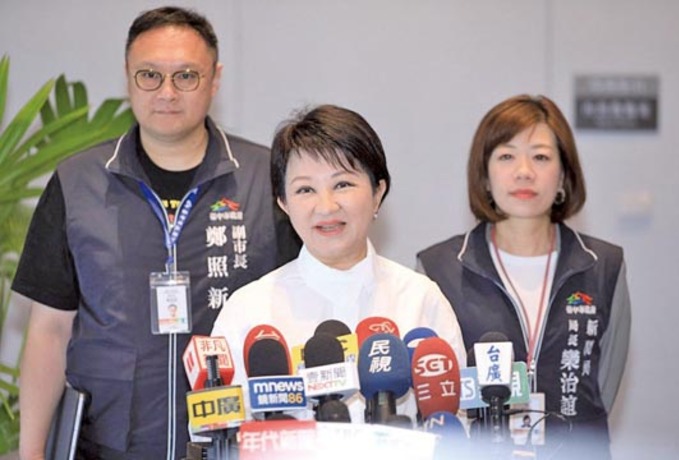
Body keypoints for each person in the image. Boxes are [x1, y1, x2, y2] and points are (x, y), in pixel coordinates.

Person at [12, 6, 299, 459]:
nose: (167, 92)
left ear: (215, 79)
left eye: (186, 76)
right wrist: (30, 454)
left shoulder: (268, 180)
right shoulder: (77, 182)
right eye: (149, 75)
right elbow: (49, 330)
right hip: (107, 446)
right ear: (128, 77)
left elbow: (302, 314)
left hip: (236, 445)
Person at [212, 104, 466, 423]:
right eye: (305, 189)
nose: (326, 206)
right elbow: (222, 432)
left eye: (342, 184)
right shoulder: (248, 310)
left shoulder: (420, 299)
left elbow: (458, 422)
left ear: (377, 193)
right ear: (283, 204)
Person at [417, 94, 631, 459]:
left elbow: (602, 389)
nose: (524, 171)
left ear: (563, 175)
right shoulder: (439, 268)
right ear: (484, 176)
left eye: (541, 157)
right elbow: (435, 393)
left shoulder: (603, 265)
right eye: (506, 156)